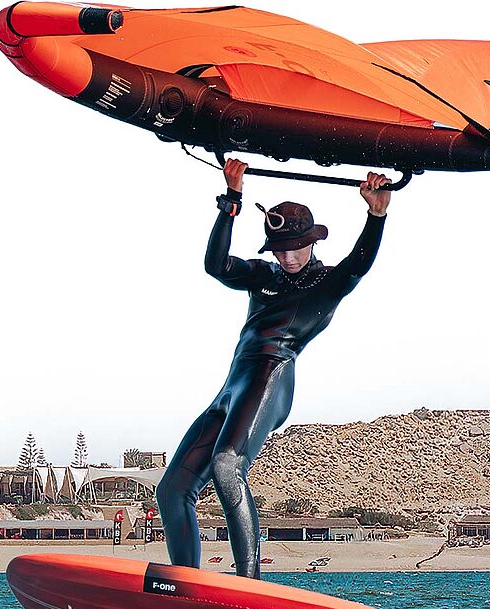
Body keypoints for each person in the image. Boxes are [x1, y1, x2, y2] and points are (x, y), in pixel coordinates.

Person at [157, 159, 392, 578]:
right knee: (172, 489)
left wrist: (376, 216)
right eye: (280, 249)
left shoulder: (327, 284)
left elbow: (358, 262)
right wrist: (232, 199)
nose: (287, 257)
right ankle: (187, 587)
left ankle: (249, 583)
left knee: (227, 465)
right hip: (232, 386)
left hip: (272, 377)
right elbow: (216, 265)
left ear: (312, 242)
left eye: (295, 248)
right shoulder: (264, 274)